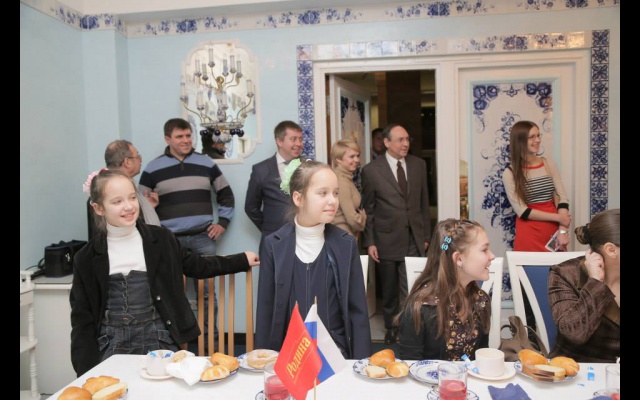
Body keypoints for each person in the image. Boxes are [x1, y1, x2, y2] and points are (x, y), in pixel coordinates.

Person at [71, 169, 259, 376]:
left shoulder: (161, 239)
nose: (129, 206)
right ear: (98, 208)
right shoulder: (86, 258)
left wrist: (240, 260)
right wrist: (83, 372)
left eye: (132, 197)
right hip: (111, 345)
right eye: (117, 202)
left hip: (159, 339)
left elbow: (197, 265)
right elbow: (82, 319)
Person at [255, 160, 371, 359]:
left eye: (335, 193)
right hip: (289, 356)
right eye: (323, 193)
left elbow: (357, 311)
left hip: (335, 355)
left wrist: (361, 363)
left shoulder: (345, 244)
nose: (333, 201)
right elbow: (266, 310)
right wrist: (264, 361)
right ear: (298, 198)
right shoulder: (273, 245)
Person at [139, 117, 235, 350]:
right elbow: (140, 206)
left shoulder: (206, 163)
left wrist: (222, 223)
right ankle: (176, 347)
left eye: (188, 136)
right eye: (179, 136)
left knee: (207, 295)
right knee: (171, 293)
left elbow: (226, 194)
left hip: (203, 238)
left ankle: (211, 347)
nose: (185, 140)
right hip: (169, 241)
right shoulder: (152, 168)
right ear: (167, 139)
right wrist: (151, 207)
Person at [361, 123, 431, 344]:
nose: (405, 143)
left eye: (407, 139)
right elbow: (369, 209)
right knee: (390, 290)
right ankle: (392, 327)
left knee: (412, 286)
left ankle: (409, 327)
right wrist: (370, 242)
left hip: (414, 238)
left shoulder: (418, 165)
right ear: (386, 142)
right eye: (400, 140)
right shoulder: (371, 170)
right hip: (386, 239)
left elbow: (424, 203)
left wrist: (426, 236)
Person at [397, 218, 494, 361]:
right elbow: (409, 365)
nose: (492, 256)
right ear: (459, 259)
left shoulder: (481, 301)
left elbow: (481, 358)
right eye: (484, 250)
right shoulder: (420, 309)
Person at [548, 208, 620, 362]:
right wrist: (595, 283)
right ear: (611, 250)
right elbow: (575, 334)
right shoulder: (566, 273)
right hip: (575, 369)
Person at [502, 120, 572, 251]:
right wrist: (559, 218)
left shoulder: (549, 164)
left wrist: (562, 231)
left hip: (554, 233)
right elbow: (522, 211)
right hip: (529, 235)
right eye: (532, 137)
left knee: (559, 265)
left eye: (538, 135)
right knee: (530, 265)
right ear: (520, 141)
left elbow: (563, 199)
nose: (538, 140)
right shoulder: (510, 173)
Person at [245, 120, 304, 247]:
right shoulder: (261, 170)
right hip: (273, 239)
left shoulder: (309, 167)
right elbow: (251, 207)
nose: (299, 144)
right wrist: (268, 228)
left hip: (304, 238)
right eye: (293, 139)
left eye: (300, 139)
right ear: (279, 141)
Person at [86, 140, 160, 239]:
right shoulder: (99, 193)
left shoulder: (130, 185)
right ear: (127, 162)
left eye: (133, 198)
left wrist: (147, 207)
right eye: (117, 201)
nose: (140, 160)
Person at [330, 139, 366, 239]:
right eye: (352, 157)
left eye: (357, 156)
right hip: (343, 235)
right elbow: (351, 218)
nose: (357, 160)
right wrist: (363, 218)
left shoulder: (345, 177)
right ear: (338, 159)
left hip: (343, 234)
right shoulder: (341, 180)